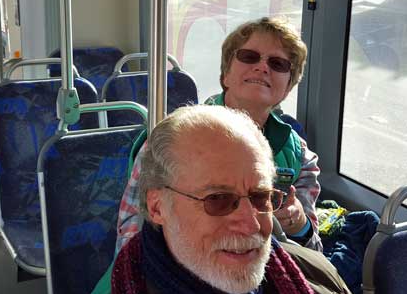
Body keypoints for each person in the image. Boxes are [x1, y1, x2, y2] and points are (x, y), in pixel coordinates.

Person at [72, 105, 391, 294]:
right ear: (157, 207)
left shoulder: (318, 280)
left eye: (260, 197)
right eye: (218, 200)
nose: (250, 222)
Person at [117, 17, 322, 253]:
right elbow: (131, 234)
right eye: (249, 57)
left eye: (278, 64)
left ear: (287, 88)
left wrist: (299, 225)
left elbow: (314, 253)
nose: (263, 67)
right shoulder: (169, 140)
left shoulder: (299, 156)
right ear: (225, 74)